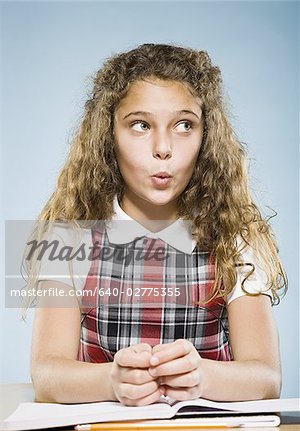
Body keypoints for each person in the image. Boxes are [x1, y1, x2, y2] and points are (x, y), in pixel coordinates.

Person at [26, 43, 287, 406]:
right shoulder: (67, 236)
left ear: (206, 138)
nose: (163, 148)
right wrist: (111, 381)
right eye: (140, 125)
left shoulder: (237, 238)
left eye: (184, 125)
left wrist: (202, 376)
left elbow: (267, 376)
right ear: (108, 136)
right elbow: (47, 375)